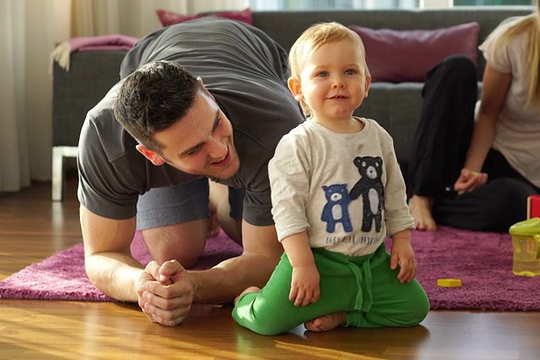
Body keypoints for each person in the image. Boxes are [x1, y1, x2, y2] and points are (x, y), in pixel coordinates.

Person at [77, 17, 306, 326]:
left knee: (245, 230)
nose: (219, 149)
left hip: (251, 55)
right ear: (150, 155)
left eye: (216, 124)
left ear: (205, 91)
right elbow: (102, 253)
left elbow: (268, 259)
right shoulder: (104, 139)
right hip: (151, 51)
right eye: (194, 148)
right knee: (175, 249)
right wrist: (142, 285)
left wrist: (196, 286)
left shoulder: (277, 127)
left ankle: (219, 188)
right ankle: (213, 180)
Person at [231, 22, 429, 336]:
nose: (338, 82)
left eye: (349, 72)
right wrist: (302, 264)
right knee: (266, 322)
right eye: (322, 74)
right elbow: (287, 211)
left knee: (415, 309)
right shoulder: (298, 144)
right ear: (297, 89)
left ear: (366, 83)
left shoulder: (378, 136)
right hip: (316, 259)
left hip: (371, 260)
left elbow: (393, 192)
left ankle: (346, 315)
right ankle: (248, 301)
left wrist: (402, 241)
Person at [407, 0, 540, 232]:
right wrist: (472, 170)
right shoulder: (513, 39)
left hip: (522, 178)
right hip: (474, 151)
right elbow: (488, 114)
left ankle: (422, 201)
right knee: (456, 68)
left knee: (517, 205)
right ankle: (421, 196)